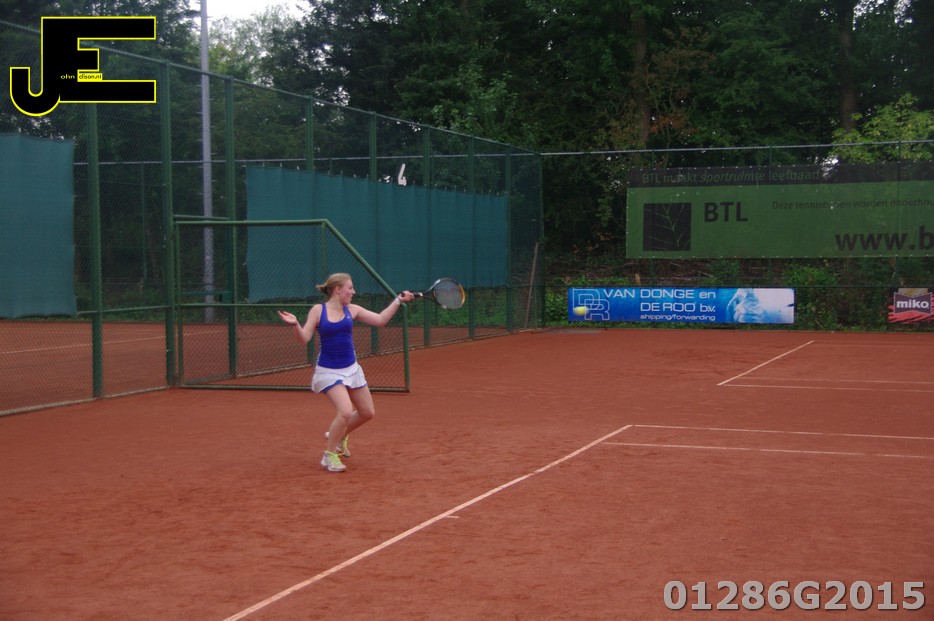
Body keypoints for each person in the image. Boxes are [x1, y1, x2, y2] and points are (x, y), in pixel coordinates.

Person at [277, 273, 414, 472]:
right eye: (350, 288)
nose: (353, 292)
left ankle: (339, 435)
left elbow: (380, 320)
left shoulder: (352, 309)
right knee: (345, 411)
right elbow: (304, 338)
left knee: (367, 412)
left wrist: (397, 300)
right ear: (338, 289)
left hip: (351, 369)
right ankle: (329, 455)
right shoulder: (318, 311)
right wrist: (296, 325)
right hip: (329, 371)